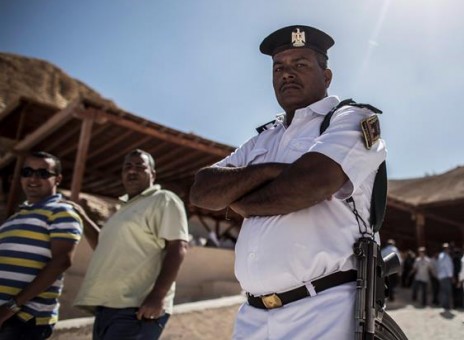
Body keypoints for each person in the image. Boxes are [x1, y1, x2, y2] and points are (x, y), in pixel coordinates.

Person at [189, 25, 387, 339]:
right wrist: (271, 171)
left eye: (300, 65)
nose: (287, 74)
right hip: (253, 316)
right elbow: (202, 191)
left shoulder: (349, 119)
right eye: (279, 67)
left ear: (327, 76)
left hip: (323, 309)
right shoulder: (263, 139)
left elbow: (312, 184)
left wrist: (241, 200)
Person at [73, 149, 189, 340]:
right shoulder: (122, 210)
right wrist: (83, 218)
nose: (132, 171)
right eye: (127, 166)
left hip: (138, 308)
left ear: (153, 174)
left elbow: (178, 247)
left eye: (140, 166)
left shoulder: (163, 199)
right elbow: (102, 247)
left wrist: (157, 296)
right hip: (106, 307)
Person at [0, 151, 83, 339]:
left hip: (23, 319)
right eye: (27, 172)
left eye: (43, 173)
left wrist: (11, 307)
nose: (33, 178)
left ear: (58, 179)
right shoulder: (13, 219)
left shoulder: (62, 212)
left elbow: (62, 261)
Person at [435, 243, 454, 310]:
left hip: (441, 276)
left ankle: (444, 304)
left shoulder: (440, 256)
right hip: (446, 276)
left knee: (443, 291)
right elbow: (448, 267)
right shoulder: (446, 257)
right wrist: (451, 276)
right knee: (447, 291)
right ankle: (446, 306)